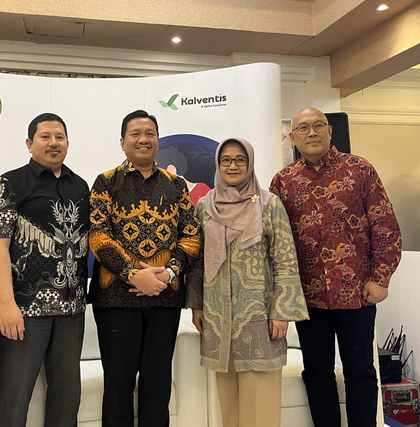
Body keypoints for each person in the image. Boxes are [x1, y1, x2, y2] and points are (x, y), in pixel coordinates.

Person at [269, 107, 402, 427]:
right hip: (307, 296)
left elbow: (385, 226)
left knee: (360, 371)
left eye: (318, 126)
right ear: (292, 137)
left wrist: (380, 278)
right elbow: (273, 240)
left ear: (330, 132)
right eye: (303, 128)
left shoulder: (360, 170)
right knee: (316, 372)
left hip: (357, 293)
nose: (311, 133)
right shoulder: (283, 182)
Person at [88, 109, 201, 427]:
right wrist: (132, 274)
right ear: (122, 142)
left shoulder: (176, 185)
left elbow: (191, 236)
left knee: (157, 386)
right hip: (115, 300)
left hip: (165, 298)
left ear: (158, 141)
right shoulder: (106, 182)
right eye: (135, 133)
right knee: (118, 388)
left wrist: (169, 274)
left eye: (149, 133)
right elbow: (98, 235)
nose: (143, 139)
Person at [186, 137, 309, 427]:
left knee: (261, 401)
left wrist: (281, 310)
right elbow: (198, 260)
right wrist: (196, 306)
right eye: (226, 159)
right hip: (218, 316)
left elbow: (285, 259)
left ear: (250, 163)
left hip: (259, 315)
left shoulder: (269, 204)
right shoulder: (205, 206)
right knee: (228, 401)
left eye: (240, 159)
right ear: (217, 163)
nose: (233, 165)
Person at [0, 113, 89, 427]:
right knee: (15, 395)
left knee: (67, 395)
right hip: (25, 310)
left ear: (67, 143)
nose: (53, 143)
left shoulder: (80, 185)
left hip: (72, 310)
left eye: (59, 136)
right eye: (45, 136)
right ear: (30, 143)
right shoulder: (11, 183)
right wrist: (6, 304)